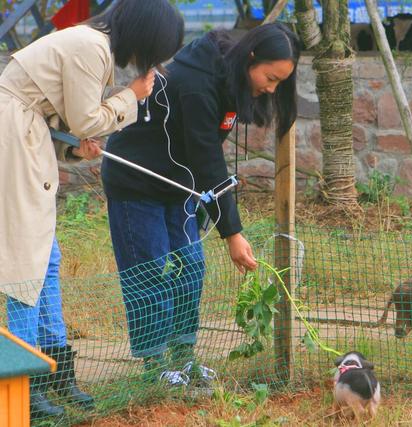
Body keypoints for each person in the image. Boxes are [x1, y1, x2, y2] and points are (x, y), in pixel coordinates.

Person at [0, 0, 184, 418]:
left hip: (25, 132)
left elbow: (70, 123)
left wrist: (79, 145)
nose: (152, 63)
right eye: (157, 51)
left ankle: (54, 371)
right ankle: (21, 384)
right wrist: (130, 98)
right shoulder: (91, 46)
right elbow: (86, 122)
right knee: (26, 264)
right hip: (15, 135)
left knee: (46, 259)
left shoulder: (90, 43)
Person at [101, 23, 302, 384]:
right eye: (270, 78)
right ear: (251, 57)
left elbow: (203, 159)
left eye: (279, 84)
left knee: (190, 268)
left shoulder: (231, 77)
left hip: (179, 185)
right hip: (136, 182)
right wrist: (232, 233)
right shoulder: (198, 82)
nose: (271, 89)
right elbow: (207, 158)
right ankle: (155, 366)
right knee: (151, 271)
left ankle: (184, 357)